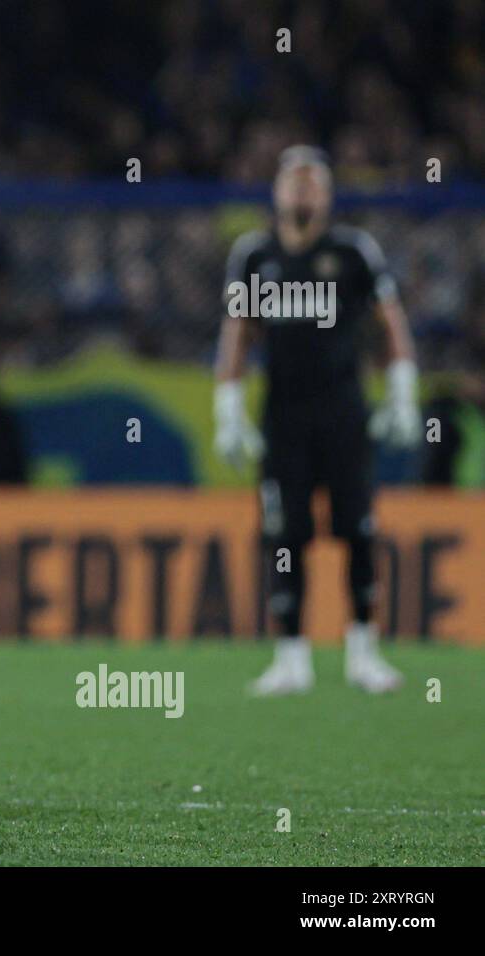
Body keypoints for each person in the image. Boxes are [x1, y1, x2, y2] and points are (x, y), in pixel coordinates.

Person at [214, 146, 419, 695]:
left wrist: (402, 393)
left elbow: (389, 321)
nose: (303, 191)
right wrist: (228, 409)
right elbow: (237, 331)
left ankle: (363, 652)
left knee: (358, 529)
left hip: (344, 414)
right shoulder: (254, 255)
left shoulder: (353, 251)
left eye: (314, 182)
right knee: (285, 534)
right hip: (283, 417)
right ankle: (291, 657)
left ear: (328, 194)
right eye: (294, 181)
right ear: (277, 191)